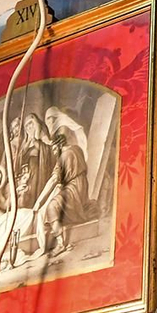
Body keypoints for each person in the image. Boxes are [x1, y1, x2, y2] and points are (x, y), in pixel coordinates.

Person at [31, 108, 92, 256]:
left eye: (53, 148)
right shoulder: (76, 149)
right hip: (82, 188)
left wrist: (38, 202)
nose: (53, 152)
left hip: (74, 190)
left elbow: (53, 180)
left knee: (52, 207)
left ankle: (61, 244)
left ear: (59, 145)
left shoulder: (63, 157)